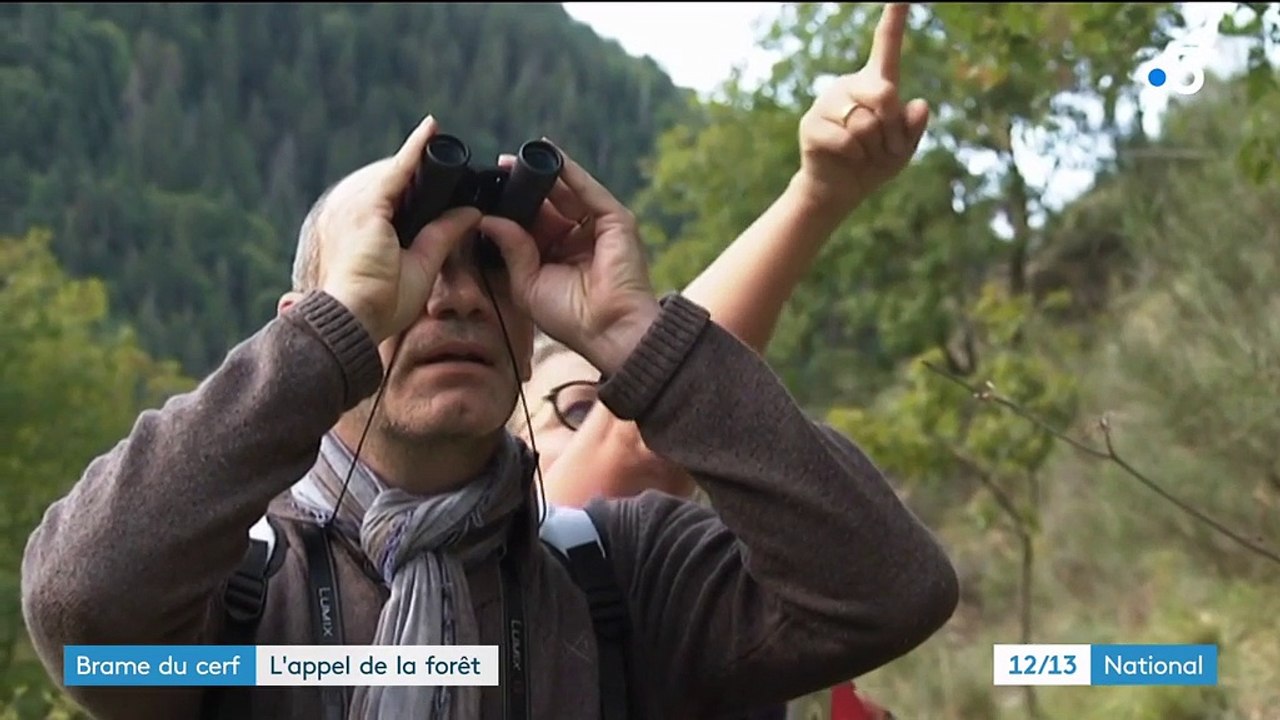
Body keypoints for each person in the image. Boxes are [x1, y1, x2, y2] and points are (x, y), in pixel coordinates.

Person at [21, 6, 956, 720]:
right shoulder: (234, 592)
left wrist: (639, 337)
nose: (454, 296)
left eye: (488, 269)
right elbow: (84, 607)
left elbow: (885, 593)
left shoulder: (620, 579)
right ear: (308, 316)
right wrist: (330, 334)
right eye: (404, 259)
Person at [509, 7, 930, 718]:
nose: (650, 419)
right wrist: (816, 198)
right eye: (576, 410)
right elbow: (632, 443)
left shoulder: (727, 605)